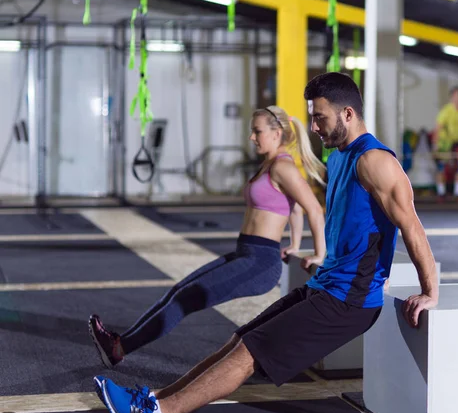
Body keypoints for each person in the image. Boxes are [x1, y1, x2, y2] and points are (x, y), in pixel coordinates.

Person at [93, 72, 439, 413]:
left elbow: (410, 224)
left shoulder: (375, 160)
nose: (314, 127)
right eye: (312, 117)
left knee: (250, 355)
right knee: (239, 341)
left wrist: (430, 289)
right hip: (326, 285)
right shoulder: (340, 155)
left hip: (349, 301)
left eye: (320, 117)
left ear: (348, 114)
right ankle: (152, 400)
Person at [88, 105, 327, 369]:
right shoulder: (269, 165)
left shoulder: (284, 168)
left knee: (185, 300)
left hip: (260, 264)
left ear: (276, 133)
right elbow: (292, 208)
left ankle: (119, 348)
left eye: (256, 131)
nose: (251, 137)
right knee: (178, 291)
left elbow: (313, 209)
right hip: (245, 252)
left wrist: (319, 253)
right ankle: (119, 343)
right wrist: (293, 244)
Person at [432, 86, 458, 202]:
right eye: (456, 96)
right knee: (441, 168)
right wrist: (435, 146)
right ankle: (441, 194)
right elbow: (437, 129)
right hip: (444, 143)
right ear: (451, 98)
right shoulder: (445, 111)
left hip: (457, 143)